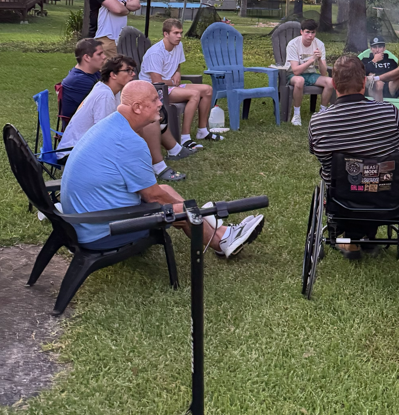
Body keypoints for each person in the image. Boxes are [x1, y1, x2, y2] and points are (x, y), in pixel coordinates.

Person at [60, 81, 264, 258]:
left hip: (82, 222)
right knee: (178, 210)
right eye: (154, 100)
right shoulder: (129, 141)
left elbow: (156, 191)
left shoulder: (112, 124)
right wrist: (193, 211)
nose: (160, 103)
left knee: (165, 189)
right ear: (138, 107)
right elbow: (153, 197)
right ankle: (221, 241)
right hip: (100, 232)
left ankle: (222, 232)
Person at [308, 54, 399, 259]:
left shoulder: (318, 122)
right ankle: (364, 238)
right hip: (387, 196)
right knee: (374, 176)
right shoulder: (390, 112)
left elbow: (316, 152)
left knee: (345, 179)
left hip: (343, 199)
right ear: (364, 82)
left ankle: (349, 241)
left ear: (334, 84)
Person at [60, 55, 191, 181]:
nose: (133, 74)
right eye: (127, 71)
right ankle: (158, 166)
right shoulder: (104, 95)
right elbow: (103, 133)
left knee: (149, 118)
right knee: (149, 122)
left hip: (85, 146)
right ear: (113, 75)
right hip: (74, 152)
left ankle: (167, 156)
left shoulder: (113, 91)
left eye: (133, 70)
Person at [140, 18, 219, 147]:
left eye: (181, 33)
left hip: (171, 86)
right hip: (155, 91)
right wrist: (172, 81)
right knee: (194, 94)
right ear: (166, 34)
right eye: (175, 33)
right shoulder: (155, 53)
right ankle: (185, 138)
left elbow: (177, 65)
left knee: (207, 90)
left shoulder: (178, 46)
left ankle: (202, 130)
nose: (179, 36)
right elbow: (157, 82)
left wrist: (177, 72)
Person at [285, 18, 335, 126]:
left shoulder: (319, 44)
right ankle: (297, 115)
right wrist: (312, 59)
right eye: (307, 32)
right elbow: (295, 70)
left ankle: (323, 113)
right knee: (299, 81)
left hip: (311, 74)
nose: (310, 36)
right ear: (301, 32)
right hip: (293, 75)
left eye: (313, 32)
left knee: (330, 82)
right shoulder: (293, 44)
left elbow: (323, 73)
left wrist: (320, 60)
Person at [60, 38, 106, 123]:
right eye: (99, 54)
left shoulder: (93, 73)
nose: (104, 57)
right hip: (80, 132)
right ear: (87, 57)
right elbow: (103, 103)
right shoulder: (78, 81)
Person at [363, 36, 399, 101]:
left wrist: (378, 77)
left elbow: (395, 76)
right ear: (371, 49)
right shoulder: (365, 60)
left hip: (389, 87)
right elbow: (361, 74)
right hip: (371, 88)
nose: (377, 50)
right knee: (379, 84)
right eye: (374, 47)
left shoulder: (391, 61)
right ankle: (380, 109)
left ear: (384, 48)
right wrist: (374, 61)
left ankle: (377, 78)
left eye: (380, 47)